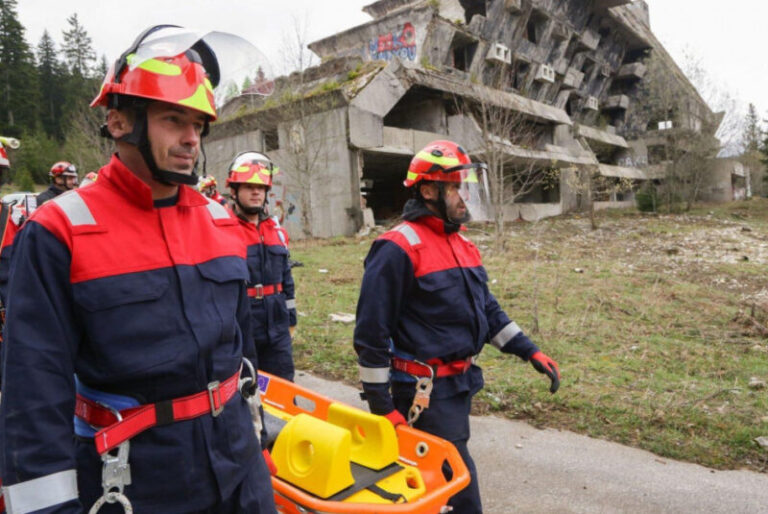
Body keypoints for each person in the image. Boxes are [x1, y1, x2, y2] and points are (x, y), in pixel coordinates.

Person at [0, 26, 276, 513]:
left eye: (199, 123)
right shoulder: (58, 230)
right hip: (135, 484)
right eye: (174, 119)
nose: (192, 138)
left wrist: (258, 438)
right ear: (120, 121)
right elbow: (34, 392)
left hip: (239, 468)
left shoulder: (219, 221)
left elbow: (242, 349)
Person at [353, 140, 561, 514]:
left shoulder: (461, 243)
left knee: (430, 490)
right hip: (422, 394)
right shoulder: (397, 248)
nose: (464, 196)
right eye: (456, 187)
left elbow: (487, 310)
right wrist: (383, 408)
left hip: (459, 385)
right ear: (428, 190)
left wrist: (529, 349)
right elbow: (370, 335)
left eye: (466, 186)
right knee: (459, 489)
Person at [227, 151, 297, 381]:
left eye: (261, 187)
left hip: (277, 326)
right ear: (234, 190)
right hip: (241, 325)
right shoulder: (221, 230)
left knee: (285, 387)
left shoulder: (276, 231)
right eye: (248, 186)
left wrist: (291, 320)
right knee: (247, 390)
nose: (256, 192)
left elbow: (286, 280)